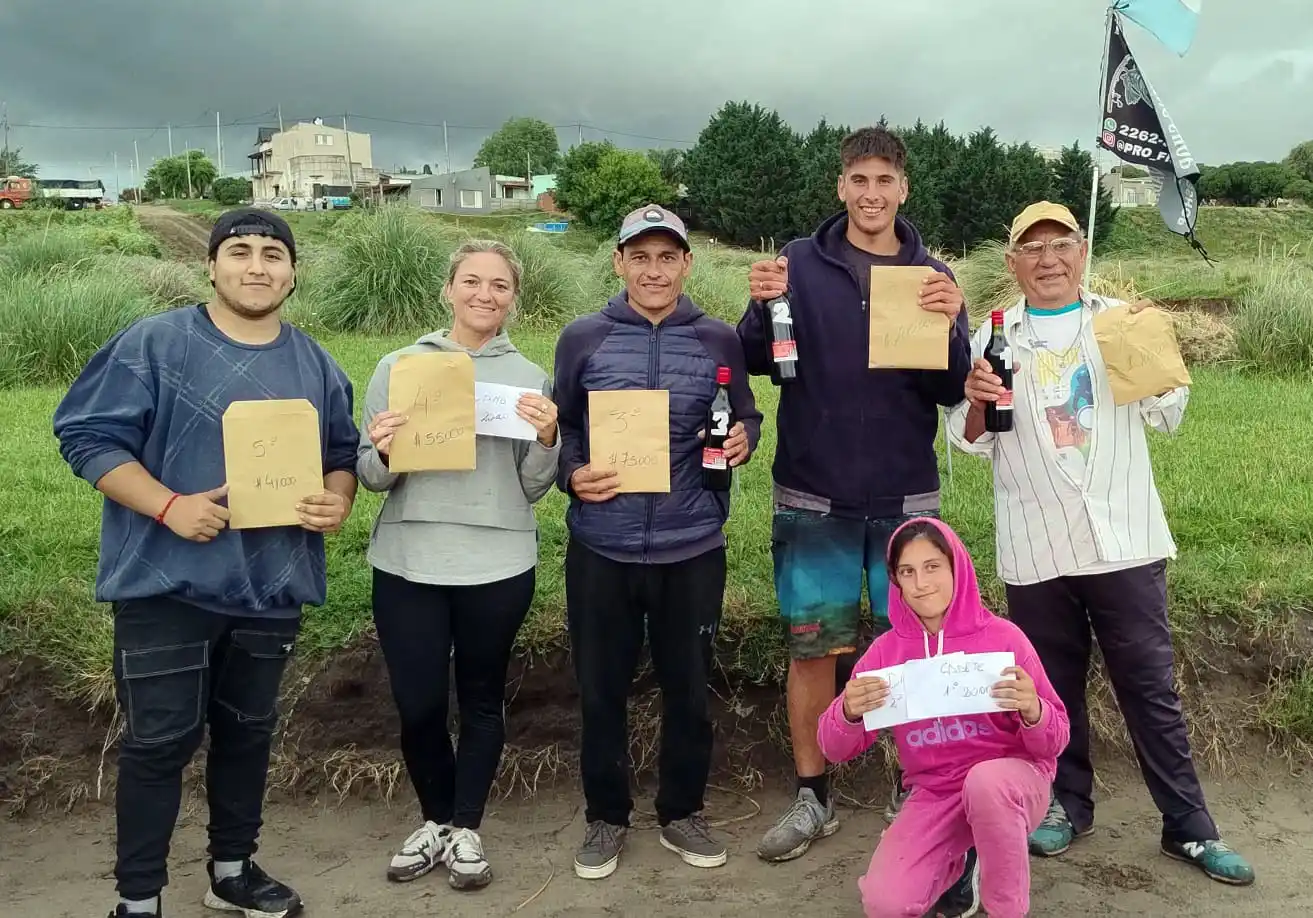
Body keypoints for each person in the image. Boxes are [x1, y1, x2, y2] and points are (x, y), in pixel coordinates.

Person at [53, 209, 360, 918]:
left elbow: (340, 456)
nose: (258, 266)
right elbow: (87, 437)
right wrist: (167, 506)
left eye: (274, 254)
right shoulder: (155, 342)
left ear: (293, 272)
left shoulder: (313, 361)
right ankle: (138, 900)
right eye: (241, 251)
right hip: (166, 585)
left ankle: (232, 872)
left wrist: (336, 501)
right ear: (212, 266)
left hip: (272, 586)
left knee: (249, 735)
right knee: (158, 744)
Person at [947, 200, 1256, 886]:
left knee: (1149, 689)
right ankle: (1065, 806)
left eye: (1060, 244)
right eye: (1032, 248)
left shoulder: (1119, 319)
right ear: (1011, 263)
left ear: (1081, 252)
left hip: (1123, 541)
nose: (1047, 259)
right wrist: (973, 396)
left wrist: (1152, 347)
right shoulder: (989, 337)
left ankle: (1189, 828)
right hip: (1035, 547)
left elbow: (1169, 412)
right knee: (1052, 691)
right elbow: (964, 442)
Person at [737, 123, 978, 909]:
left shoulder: (931, 274)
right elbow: (755, 360)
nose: (871, 194)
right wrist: (758, 303)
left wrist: (952, 322)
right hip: (813, 492)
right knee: (814, 652)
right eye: (858, 180)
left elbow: (949, 390)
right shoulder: (800, 264)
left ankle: (926, 791)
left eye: (885, 181)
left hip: (906, 496)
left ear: (903, 190)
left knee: (921, 653)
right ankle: (813, 794)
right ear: (840, 186)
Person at [554, 204, 763, 880]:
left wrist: (743, 440)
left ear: (685, 264)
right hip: (601, 548)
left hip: (691, 543)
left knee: (689, 689)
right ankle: (605, 818)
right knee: (599, 689)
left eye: (665, 256)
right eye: (638, 256)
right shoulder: (581, 337)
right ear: (617, 262)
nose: (652, 269)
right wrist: (570, 474)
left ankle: (681, 811)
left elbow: (748, 414)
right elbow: (563, 429)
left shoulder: (716, 338)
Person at [357, 240, 561, 891]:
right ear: (448, 289)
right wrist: (387, 449)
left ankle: (465, 828)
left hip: (497, 560)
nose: (484, 294)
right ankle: (434, 821)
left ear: (512, 298)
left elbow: (533, 487)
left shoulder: (530, 378)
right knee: (417, 705)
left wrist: (549, 438)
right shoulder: (398, 367)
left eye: (499, 285)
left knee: (480, 699)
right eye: (471, 281)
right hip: (409, 558)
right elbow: (368, 476)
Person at [818, 517, 1070, 918]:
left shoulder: (1005, 639)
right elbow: (833, 748)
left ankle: (1005, 907)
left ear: (957, 567)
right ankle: (958, 861)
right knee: (885, 904)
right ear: (896, 582)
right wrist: (847, 711)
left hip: (1013, 783)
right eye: (907, 572)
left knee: (986, 784)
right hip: (935, 792)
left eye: (932, 566)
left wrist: (1033, 711)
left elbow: (1055, 741)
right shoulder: (888, 653)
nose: (921, 583)